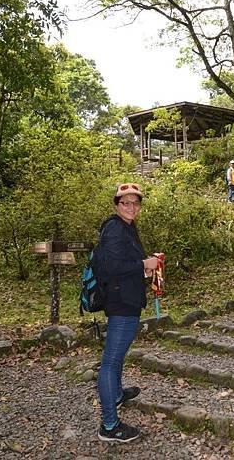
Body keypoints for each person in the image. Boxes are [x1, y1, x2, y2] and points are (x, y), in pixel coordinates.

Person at [96, 182, 159, 444]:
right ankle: (109, 425)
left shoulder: (128, 228)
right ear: (117, 205)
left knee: (118, 354)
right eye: (126, 202)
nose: (131, 207)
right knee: (110, 361)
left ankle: (118, 393)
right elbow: (112, 266)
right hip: (120, 302)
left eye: (135, 203)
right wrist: (144, 264)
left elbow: (126, 265)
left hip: (129, 298)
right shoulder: (114, 228)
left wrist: (144, 269)